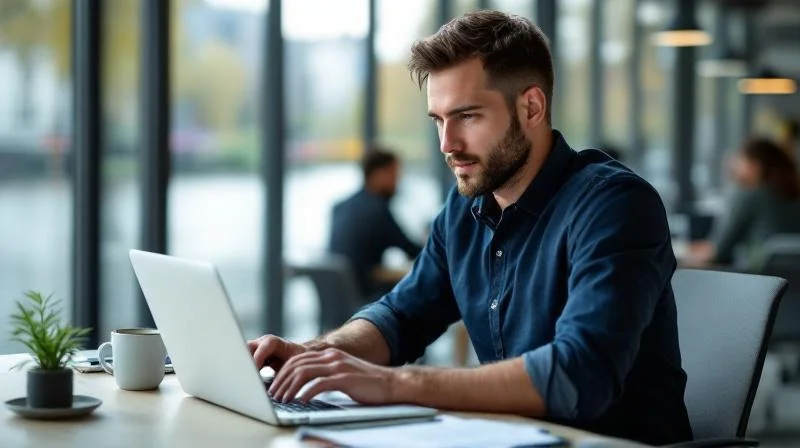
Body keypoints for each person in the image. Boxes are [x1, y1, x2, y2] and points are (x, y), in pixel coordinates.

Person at [249, 11, 692, 445]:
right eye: (439, 120)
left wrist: (394, 383)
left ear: (531, 107)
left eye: (467, 116)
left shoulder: (614, 204)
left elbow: (580, 374)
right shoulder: (465, 208)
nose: (447, 144)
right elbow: (401, 316)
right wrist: (315, 354)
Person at [688, 138, 800, 269]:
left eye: (741, 161)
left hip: (755, 278)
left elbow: (718, 251)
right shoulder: (793, 194)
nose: (736, 167)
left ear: (755, 166)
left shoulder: (750, 195)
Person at [328, 148, 422, 299]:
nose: (398, 181)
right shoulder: (377, 210)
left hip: (339, 300)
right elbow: (414, 251)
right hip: (368, 301)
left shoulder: (340, 207)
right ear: (379, 174)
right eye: (394, 173)